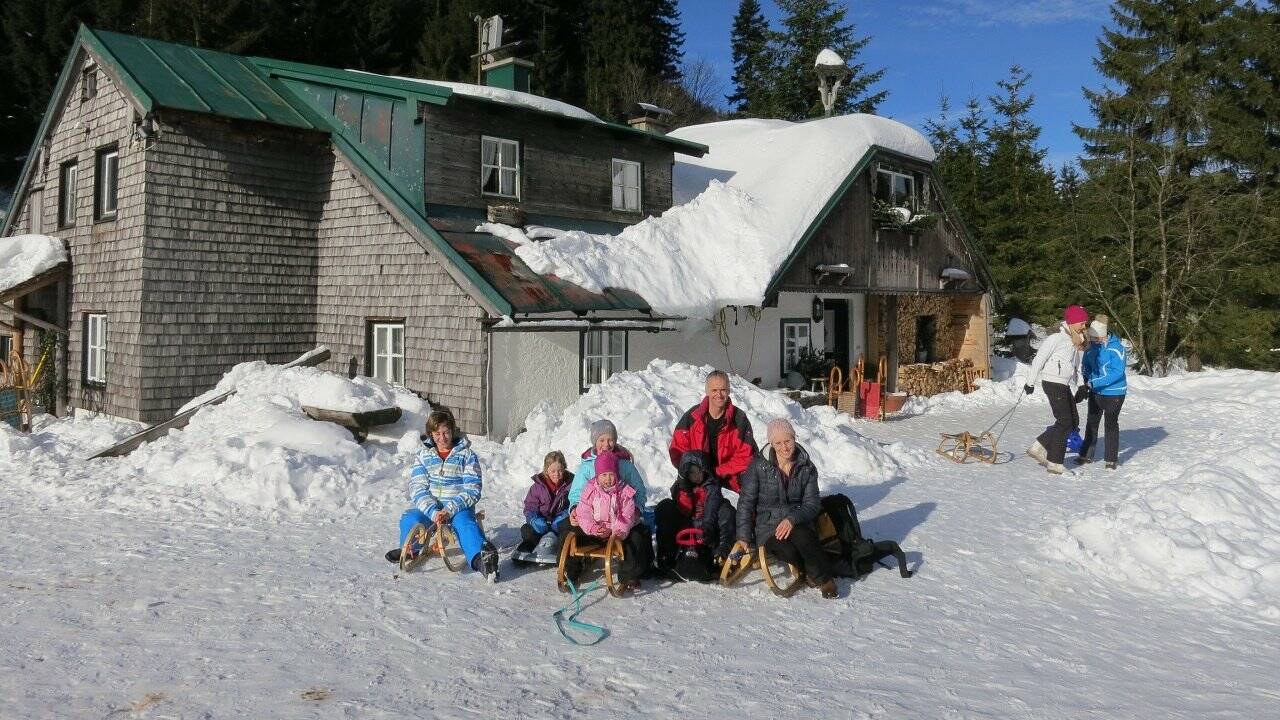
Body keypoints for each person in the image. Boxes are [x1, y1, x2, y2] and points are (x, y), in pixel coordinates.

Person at [386, 410, 499, 580]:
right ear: (431, 434)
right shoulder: (424, 456)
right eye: (437, 433)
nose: (442, 438)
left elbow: (472, 489)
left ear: (452, 431)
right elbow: (417, 488)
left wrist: (449, 509)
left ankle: (481, 560)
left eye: (445, 432)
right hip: (432, 508)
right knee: (410, 518)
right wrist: (432, 511)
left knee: (465, 525)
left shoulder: (467, 455)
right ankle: (409, 550)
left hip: (458, 507)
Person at [736, 418, 837, 599]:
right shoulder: (758, 466)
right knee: (788, 550)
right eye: (778, 443)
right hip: (768, 527)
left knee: (803, 536)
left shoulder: (806, 467)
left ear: (794, 438)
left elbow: (812, 503)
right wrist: (743, 535)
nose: (784, 447)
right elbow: (746, 502)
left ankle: (824, 580)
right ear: (771, 444)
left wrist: (792, 519)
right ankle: (810, 569)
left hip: (797, 521)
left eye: (788, 441)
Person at [564, 451, 651, 594]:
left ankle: (628, 576)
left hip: (617, 534)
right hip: (595, 531)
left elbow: (627, 515)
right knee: (572, 534)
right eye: (604, 475)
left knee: (634, 540)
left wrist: (617, 531)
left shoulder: (624, 492)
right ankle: (572, 572)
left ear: (617, 474)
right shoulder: (590, 489)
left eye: (611, 474)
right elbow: (583, 512)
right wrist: (592, 527)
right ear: (597, 476)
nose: (608, 479)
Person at [668, 370, 758, 492]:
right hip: (698, 474)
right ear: (707, 391)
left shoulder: (739, 419)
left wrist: (718, 472)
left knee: (753, 485)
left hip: (729, 473)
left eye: (723, 390)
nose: (719, 394)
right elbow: (678, 449)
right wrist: (693, 470)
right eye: (714, 390)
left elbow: (746, 456)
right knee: (682, 497)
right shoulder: (692, 417)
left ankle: (746, 511)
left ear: (729, 391)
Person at [1025, 305, 1089, 475]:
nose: (1084, 326)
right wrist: (1030, 382)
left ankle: (1037, 447)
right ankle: (1054, 462)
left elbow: (1076, 366)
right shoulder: (1056, 338)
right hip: (1052, 382)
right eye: (1082, 323)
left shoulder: (1076, 340)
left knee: (1073, 421)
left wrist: (1082, 385)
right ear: (1072, 322)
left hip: (1063, 384)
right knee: (1065, 421)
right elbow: (1040, 359)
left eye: (1085, 323)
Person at [654, 450, 735, 581]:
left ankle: (722, 553)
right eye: (691, 473)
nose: (696, 476)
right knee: (665, 506)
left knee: (726, 509)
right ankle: (666, 556)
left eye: (699, 471)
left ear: (705, 470)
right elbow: (684, 510)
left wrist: (707, 527)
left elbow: (711, 509)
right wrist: (685, 490)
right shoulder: (682, 487)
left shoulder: (712, 486)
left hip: (708, 529)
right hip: (687, 528)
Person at [1078, 316, 1128, 469]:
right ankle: (1086, 455)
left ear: (1103, 335)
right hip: (1096, 391)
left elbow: (1117, 372)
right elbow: (1086, 365)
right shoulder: (1092, 347)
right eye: (1091, 338)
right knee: (1092, 422)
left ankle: (1111, 459)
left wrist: (1095, 382)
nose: (1093, 341)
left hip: (1114, 392)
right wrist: (1086, 382)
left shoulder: (1116, 348)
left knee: (1110, 423)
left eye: (1096, 338)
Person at [513, 451, 573, 565]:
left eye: (560, 470)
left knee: (567, 531)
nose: (557, 474)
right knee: (527, 530)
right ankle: (529, 547)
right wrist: (533, 519)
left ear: (564, 468)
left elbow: (575, 503)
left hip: (560, 523)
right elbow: (530, 506)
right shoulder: (537, 487)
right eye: (553, 471)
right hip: (542, 523)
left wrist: (565, 515)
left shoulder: (571, 484)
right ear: (546, 471)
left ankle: (562, 552)